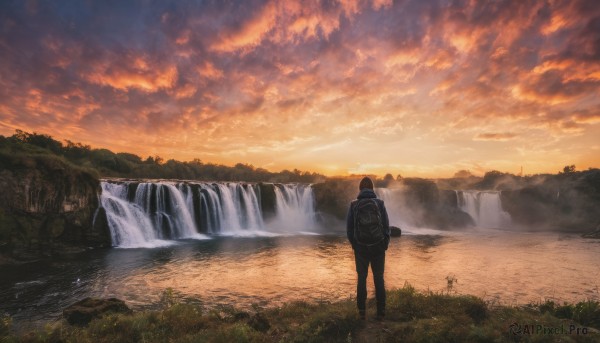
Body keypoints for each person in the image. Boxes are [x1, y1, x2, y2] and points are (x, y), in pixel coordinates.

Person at [346, 176, 390, 320]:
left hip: (361, 248)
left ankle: (362, 312)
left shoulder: (354, 205)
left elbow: (349, 229)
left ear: (360, 188)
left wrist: (355, 245)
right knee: (379, 278)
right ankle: (381, 311)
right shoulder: (380, 203)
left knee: (362, 278)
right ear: (372, 188)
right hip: (378, 246)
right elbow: (386, 226)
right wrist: (385, 244)